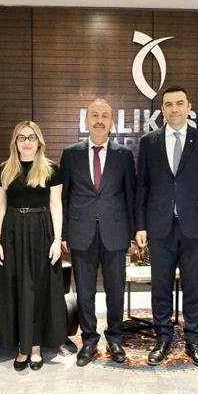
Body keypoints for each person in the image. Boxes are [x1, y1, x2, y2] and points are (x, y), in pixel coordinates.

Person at [135, 85, 198, 367]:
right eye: (169, 104)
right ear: (162, 109)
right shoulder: (149, 142)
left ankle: (193, 338)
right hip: (159, 227)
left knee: (194, 285)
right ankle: (163, 337)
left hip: (195, 227)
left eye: (179, 103)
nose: (174, 109)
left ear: (188, 107)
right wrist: (140, 226)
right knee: (161, 286)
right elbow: (142, 187)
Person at [60, 99, 136, 366]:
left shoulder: (124, 155)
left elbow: (130, 195)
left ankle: (115, 338)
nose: (99, 120)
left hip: (115, 233)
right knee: (85, 291)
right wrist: (63, 233)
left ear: (112, 122)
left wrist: (132, 232)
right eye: (95, 115)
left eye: (105, 116)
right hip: (81, 233)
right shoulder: (71, 154)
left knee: (116, 291)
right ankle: (89, 340)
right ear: (86, 120)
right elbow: (64, 197)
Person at [0, 120, 66, 371]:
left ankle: (35, 347)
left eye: (31, 137)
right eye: (21, 137)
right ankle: (21, 346)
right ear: (15, 142)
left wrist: (57, 240)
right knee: (15, 287)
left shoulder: (50, 169)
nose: (26, 142)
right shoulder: (4, 169)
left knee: (38, 288)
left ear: (39, 141)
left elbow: (56, 205)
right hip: (12, 232)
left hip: (41, 230)